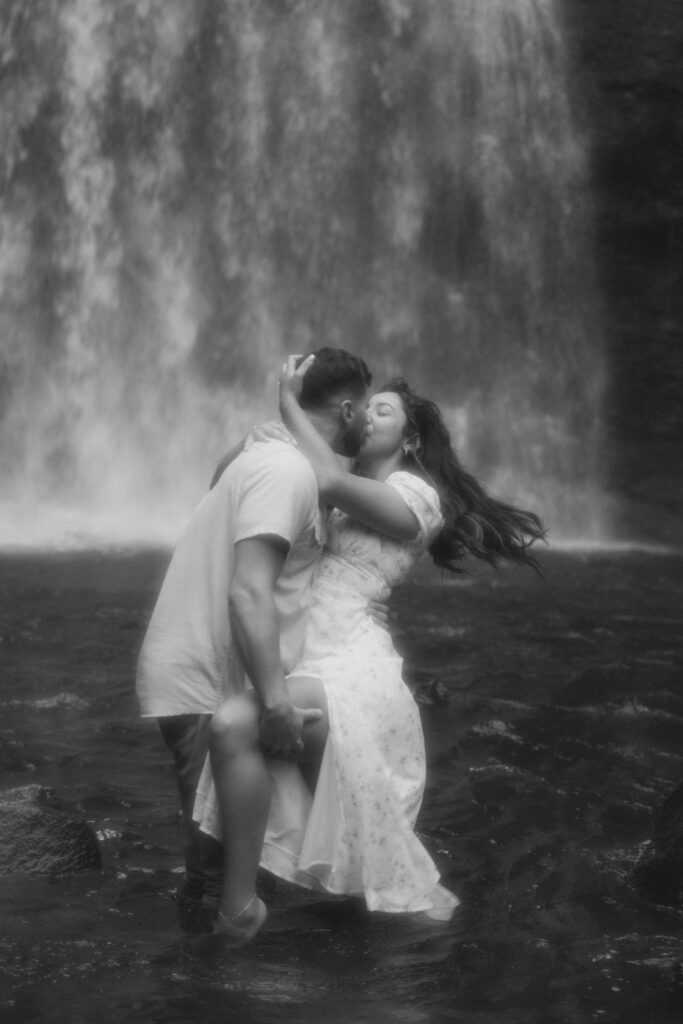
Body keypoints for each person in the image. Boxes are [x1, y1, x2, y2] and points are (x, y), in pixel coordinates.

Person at [193, 355, 545, 944]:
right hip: (307, 660)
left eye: (384, 409)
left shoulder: (418, 494)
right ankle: (241, 902)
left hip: (355, 669)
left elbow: (330, 482)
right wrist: (250, 442)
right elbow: (227, 494)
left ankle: (237, 914)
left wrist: (287, 405)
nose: (366, 412)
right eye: (365, 405)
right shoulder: (327, 473)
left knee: (232, 726)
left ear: (409, 439)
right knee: (241, 740)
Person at [135, 347, 372, 931]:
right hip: (210, 677)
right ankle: (214, 987)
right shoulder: (283, 470)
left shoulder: (272, 458)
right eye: (367, 410)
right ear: (346, 409)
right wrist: (275, 700)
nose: (369, 423)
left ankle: (211, 972)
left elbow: (222, 485)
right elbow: (248, 592)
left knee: (230, 854)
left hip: (218, 674)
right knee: (220, 867)